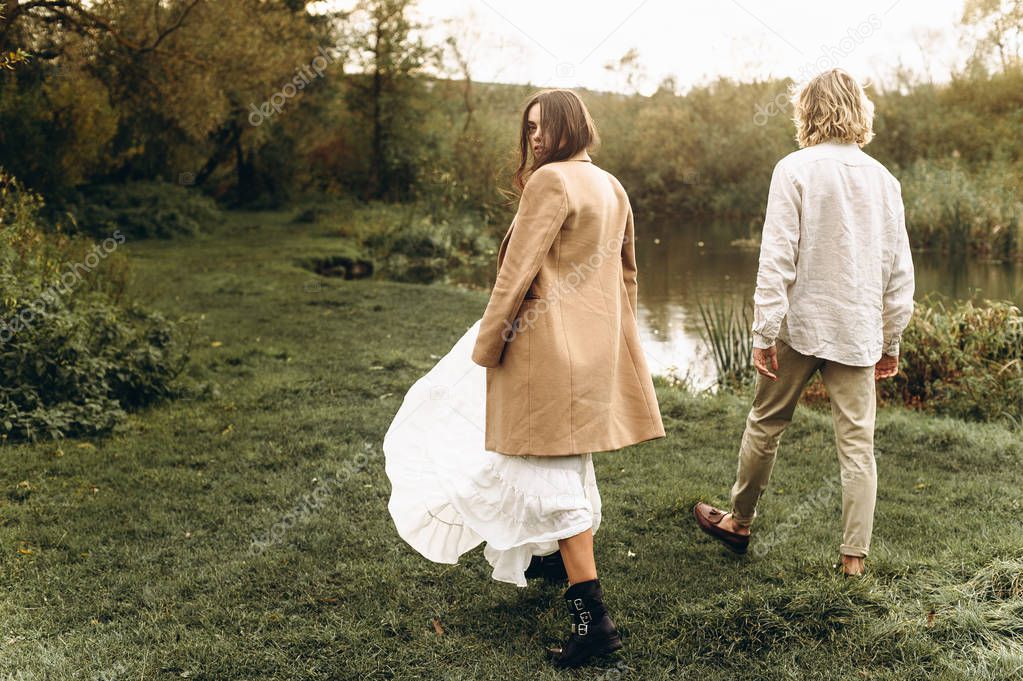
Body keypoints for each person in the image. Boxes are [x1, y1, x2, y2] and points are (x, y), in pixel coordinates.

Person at [384, 88, 665, 667]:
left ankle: (594, 626)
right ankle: (547, 560)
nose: (535, 137)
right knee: (561, 464)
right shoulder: (612, 185)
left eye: (543, 126)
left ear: (570, 126)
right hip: (590, 352)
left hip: (542, 349)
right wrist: (618, 343)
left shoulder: (551, 182)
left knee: (545, 469)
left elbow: (518, 274)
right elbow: (626, 278)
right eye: (529, 127)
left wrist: (487, 346)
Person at [692, 69, 915, 576]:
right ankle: (853, 560)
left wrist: (763, 332)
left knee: (766, 423)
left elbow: (777, 259)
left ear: (807, 111)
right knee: (859, 445)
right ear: (860, 111)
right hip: (858, 332)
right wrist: (891, 338)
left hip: (800, 327)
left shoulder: (793, 169)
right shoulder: (885, 180)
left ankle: (739, 523)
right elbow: (900, 270)